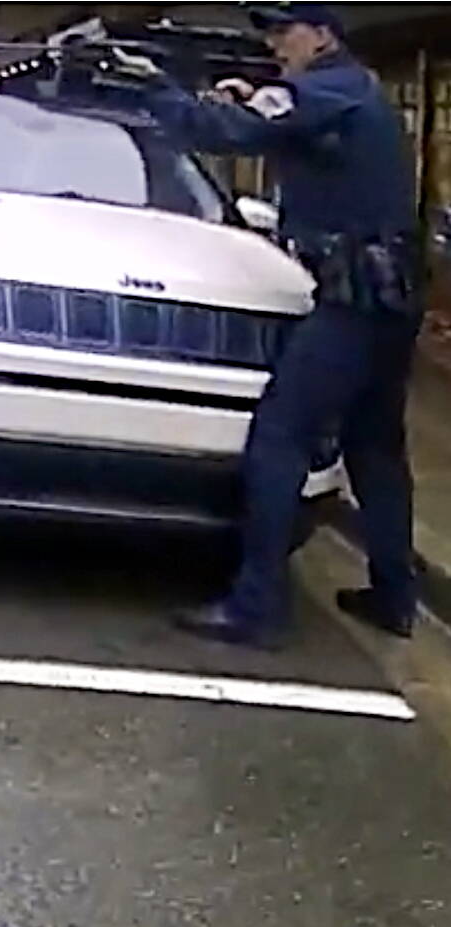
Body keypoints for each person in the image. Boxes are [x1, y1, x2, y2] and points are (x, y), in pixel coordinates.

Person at [117, 3, 423, 648]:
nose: (274, 42)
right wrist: (252, 99)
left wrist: (156, 86)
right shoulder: (345, 89)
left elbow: (221, 131)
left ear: (322, 35)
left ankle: (255, 608)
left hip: (356, 298)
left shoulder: (326, 88)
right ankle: (395, 597)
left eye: (283, 30)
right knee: (375, 450)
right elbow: (284, 125)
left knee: (280, 437)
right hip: (389, 296)